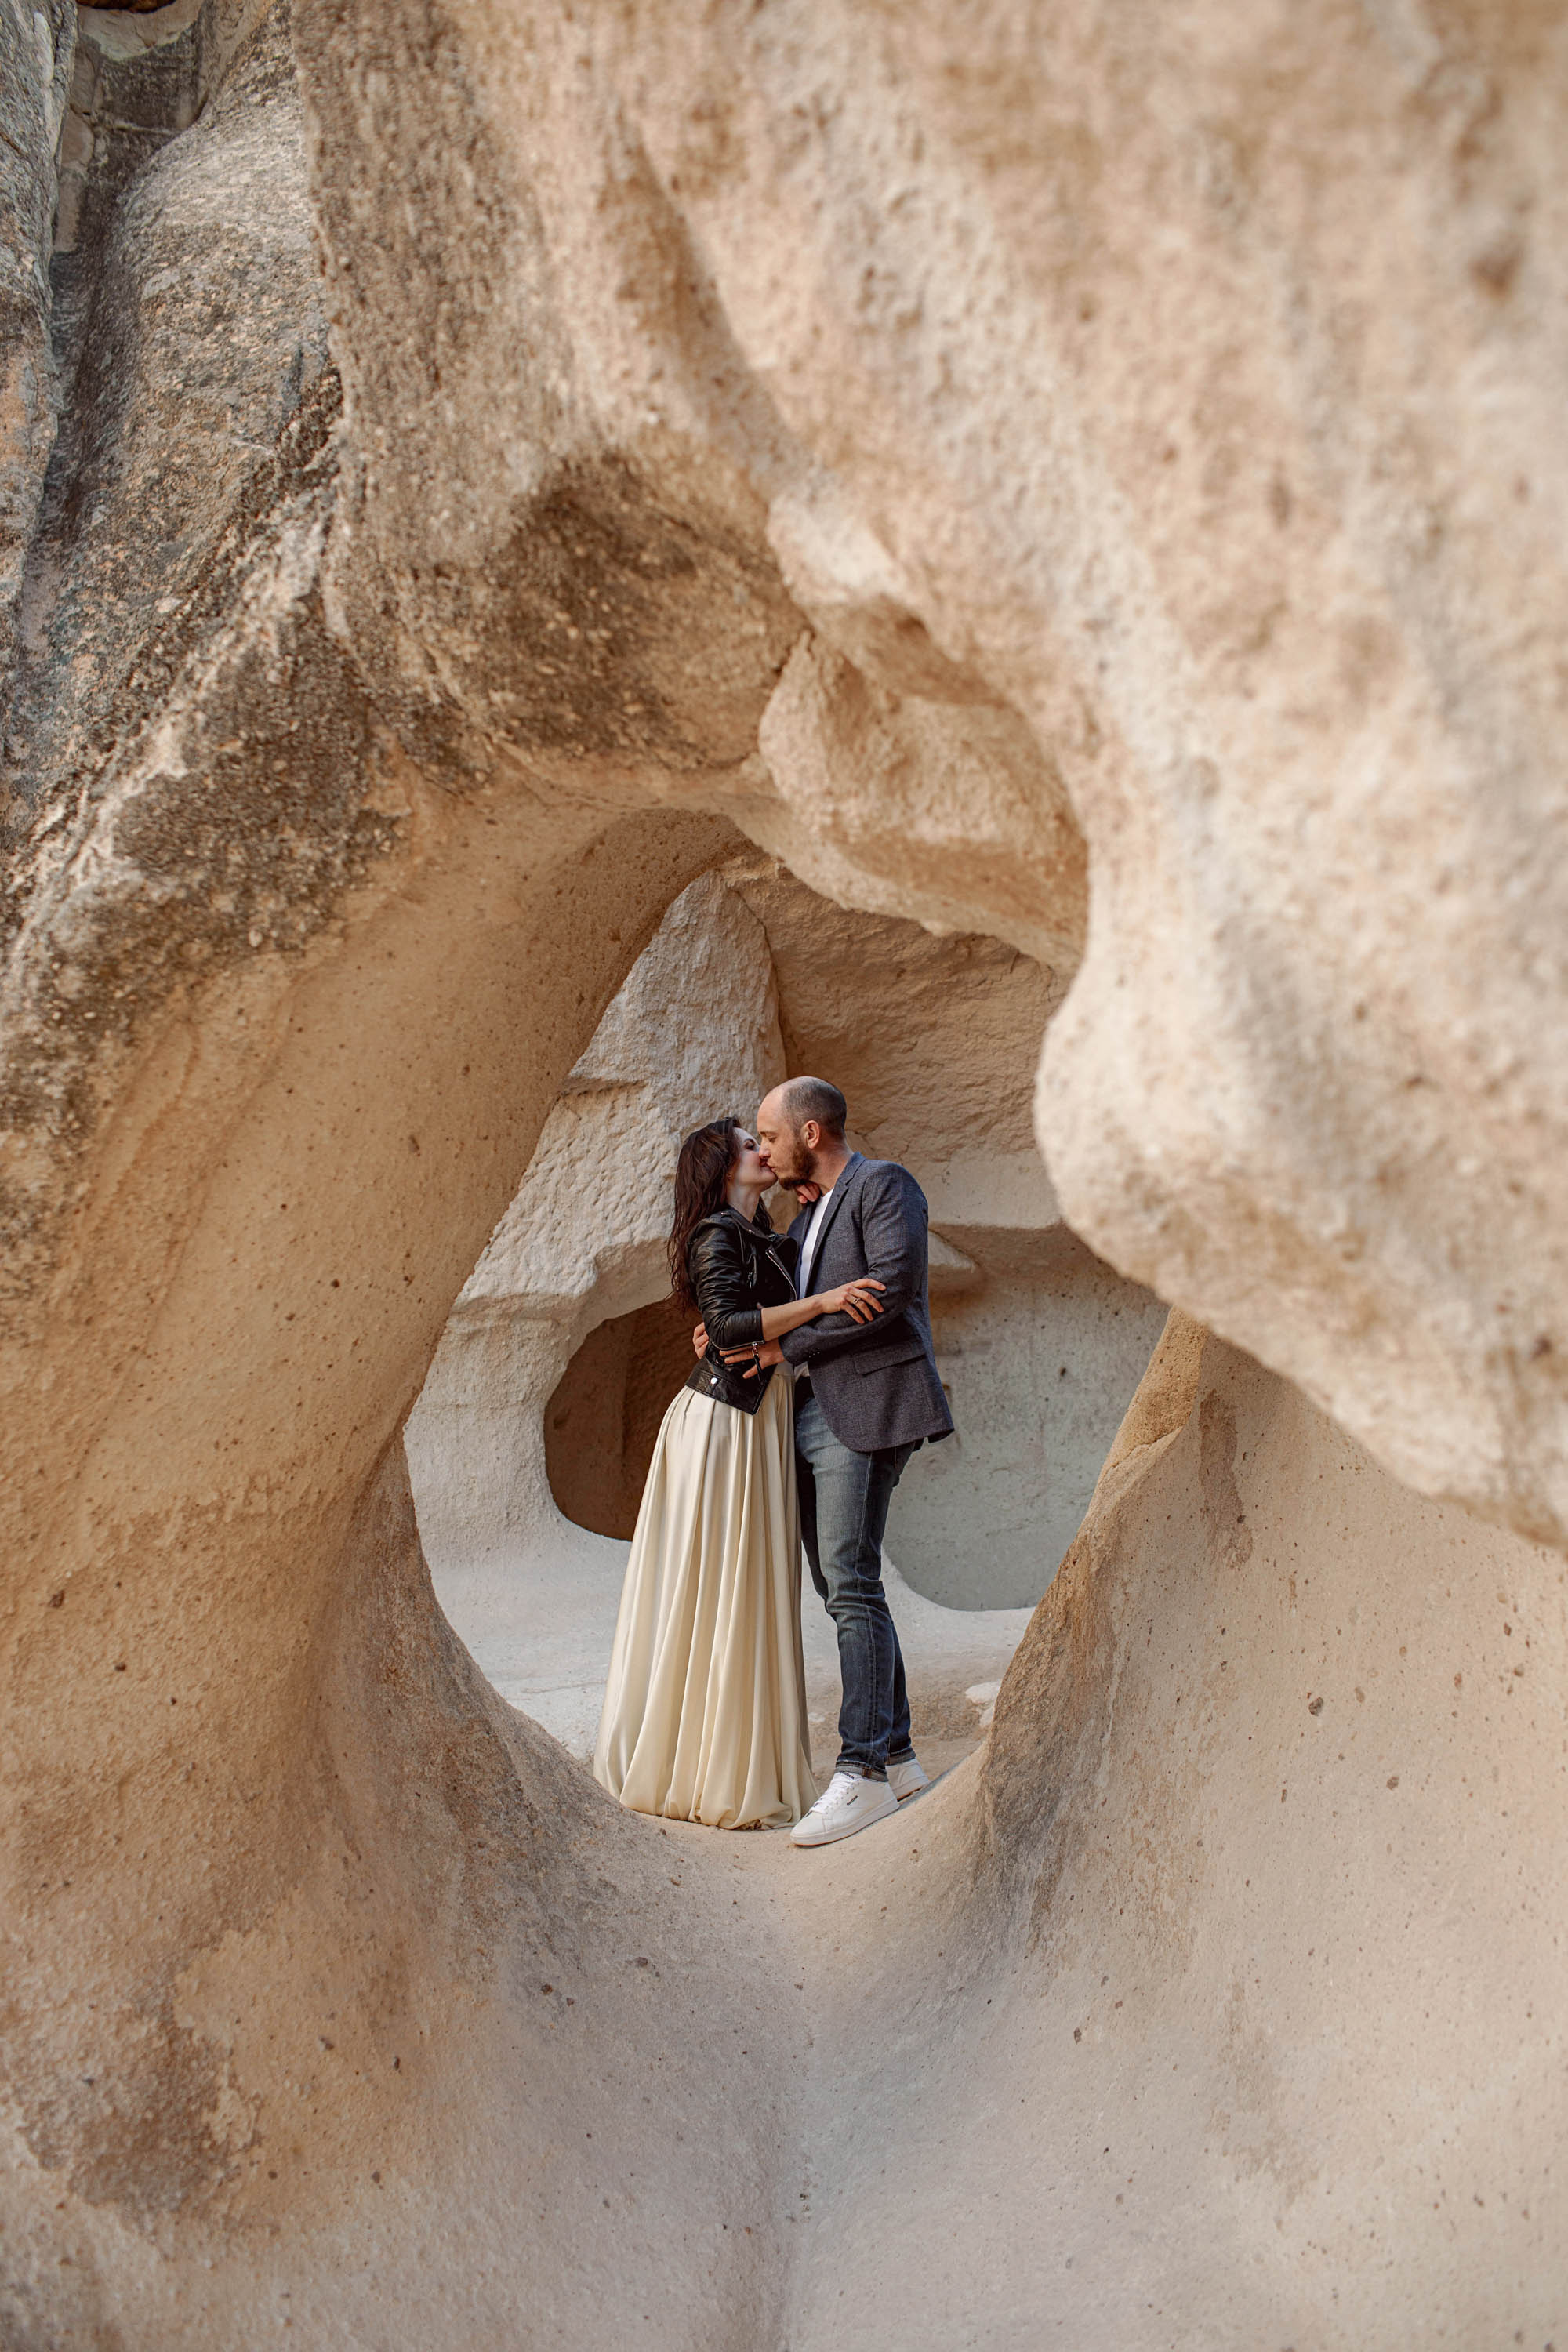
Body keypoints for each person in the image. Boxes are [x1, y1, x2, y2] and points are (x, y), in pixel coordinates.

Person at [593, 1116, 887, 1829]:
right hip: (723, 1429)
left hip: (756, 1427)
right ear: (722, 1168)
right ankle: (692, 1768)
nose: (762, 1150)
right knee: (714, 1589)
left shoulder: (767, 1236)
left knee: (740, 1591)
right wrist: (818, 1303)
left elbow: (742, 1316)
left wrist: (782, 1310)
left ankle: (722, 1763)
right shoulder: (715, 1233)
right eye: (747, 1144)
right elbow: (726, 1328)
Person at [709, 1077, 954, 1849]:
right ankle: (901, 1757)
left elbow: (886, 1293)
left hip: (868, 1408)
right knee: (843, 1585)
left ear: (810, 1133)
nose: (764, 1147)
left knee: (849, 1584)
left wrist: (784, 1346)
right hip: (812, 1413)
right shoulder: (805, 1214)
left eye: (768, 1133)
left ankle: (861, 1775)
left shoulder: (884, 1186)